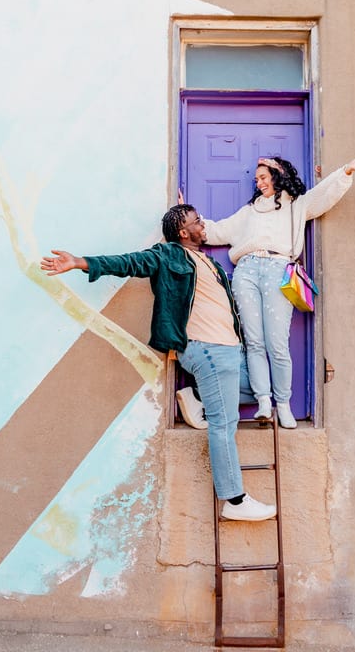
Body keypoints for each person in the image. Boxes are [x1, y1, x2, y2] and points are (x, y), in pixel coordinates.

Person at [39, 204, 276, 522]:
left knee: (263, 390)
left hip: (232, 351)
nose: (203, 224)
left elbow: (189, 224)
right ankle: (234, 500)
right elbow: (131, 263)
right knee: (224, 423)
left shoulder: (208, 261)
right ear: (182, 232)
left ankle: (198, 399)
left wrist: (184, 205)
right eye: (196, 221)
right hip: (206, 349)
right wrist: (80, 263)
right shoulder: (169, 255)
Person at [204, 153, 355, 429]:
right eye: (257, 179)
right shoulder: (249, 211)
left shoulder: (296, 206)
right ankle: (264, 401)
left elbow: (323, 196)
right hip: (246, 272)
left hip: (278, 270)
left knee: (277, 343)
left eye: (263, 177)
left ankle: (283, 404)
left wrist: (346, 171)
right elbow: (218, 231)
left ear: (277, 176)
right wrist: (189, 219)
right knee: (254, 342)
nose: (259, 183)